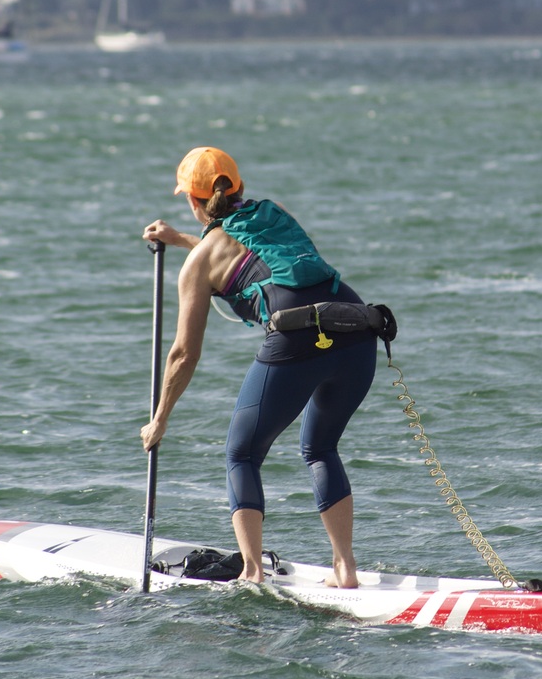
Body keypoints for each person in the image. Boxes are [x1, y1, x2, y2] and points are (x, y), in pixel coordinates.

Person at [140, 147, 379, 588]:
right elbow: (251, 258)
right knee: (321, 448)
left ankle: (252, 573)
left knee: (243, 454)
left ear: (192, 201)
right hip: (358, 328)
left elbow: (182, 354)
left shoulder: (199, 264)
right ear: (238, 187)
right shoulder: (276, 212)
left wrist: (159, 420)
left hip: (296, 340)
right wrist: (183, 241)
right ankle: (345, 569)